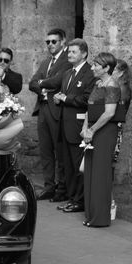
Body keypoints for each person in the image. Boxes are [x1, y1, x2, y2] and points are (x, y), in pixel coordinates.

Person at [53, 39, 96, 212]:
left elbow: (88, 99)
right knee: (68, 166)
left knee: (79, 166)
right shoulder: (67, 73)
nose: (69, 55)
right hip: (64, 125)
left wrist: (66, 98)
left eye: (73, 52)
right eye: (69, 52)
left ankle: (80, 201)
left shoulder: (90, 72)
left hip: (78, 126)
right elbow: (65, 95)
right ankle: (72, 198)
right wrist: (58, 99)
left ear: (84, 54)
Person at [28, 28, 71, 201]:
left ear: (62, 42)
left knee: (59, 150)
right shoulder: (46, 62)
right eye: (48, 42)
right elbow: (32, 83)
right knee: (45, 149)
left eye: (54, 41)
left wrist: (42, 83)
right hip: (43, 107)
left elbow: (58, 81)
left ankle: (62, 187)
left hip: (57, 109)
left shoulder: (66, 61)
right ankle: (49, 186)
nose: (50, 45)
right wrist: (44, 87)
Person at [81, 52, 121, 227]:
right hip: (93, 130)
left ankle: (100, 218)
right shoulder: (98, 84)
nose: (92, 67)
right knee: (90, 172)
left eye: (96, 65)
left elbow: (109, 113)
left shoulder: (112, 85)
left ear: (106, 68)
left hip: (105, 132)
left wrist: (91, 129)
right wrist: (84, 128)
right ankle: (90, 215)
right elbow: (89, 109)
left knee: (100, 173)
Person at [112, 59, 132, 164]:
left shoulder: (122, 89)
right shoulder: (120, 87)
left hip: (113, 128)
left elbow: (114, 113)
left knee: (109, 161)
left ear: (121, 73)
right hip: (114, 127)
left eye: (113, 69)